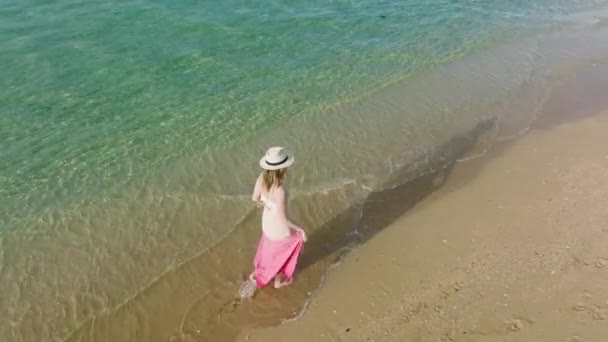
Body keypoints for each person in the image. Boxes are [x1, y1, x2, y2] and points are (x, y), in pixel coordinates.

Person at [249, 147, 307, 289]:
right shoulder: (280, 191)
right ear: (282, 169)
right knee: (290, 246)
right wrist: (301, 230)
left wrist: (267, 206)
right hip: (277, 228)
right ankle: (277, 281)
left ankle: (259, 272)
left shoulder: (261, 178)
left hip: (266, 224)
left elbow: (254, 199)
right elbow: (284, 220)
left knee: (271, 249)